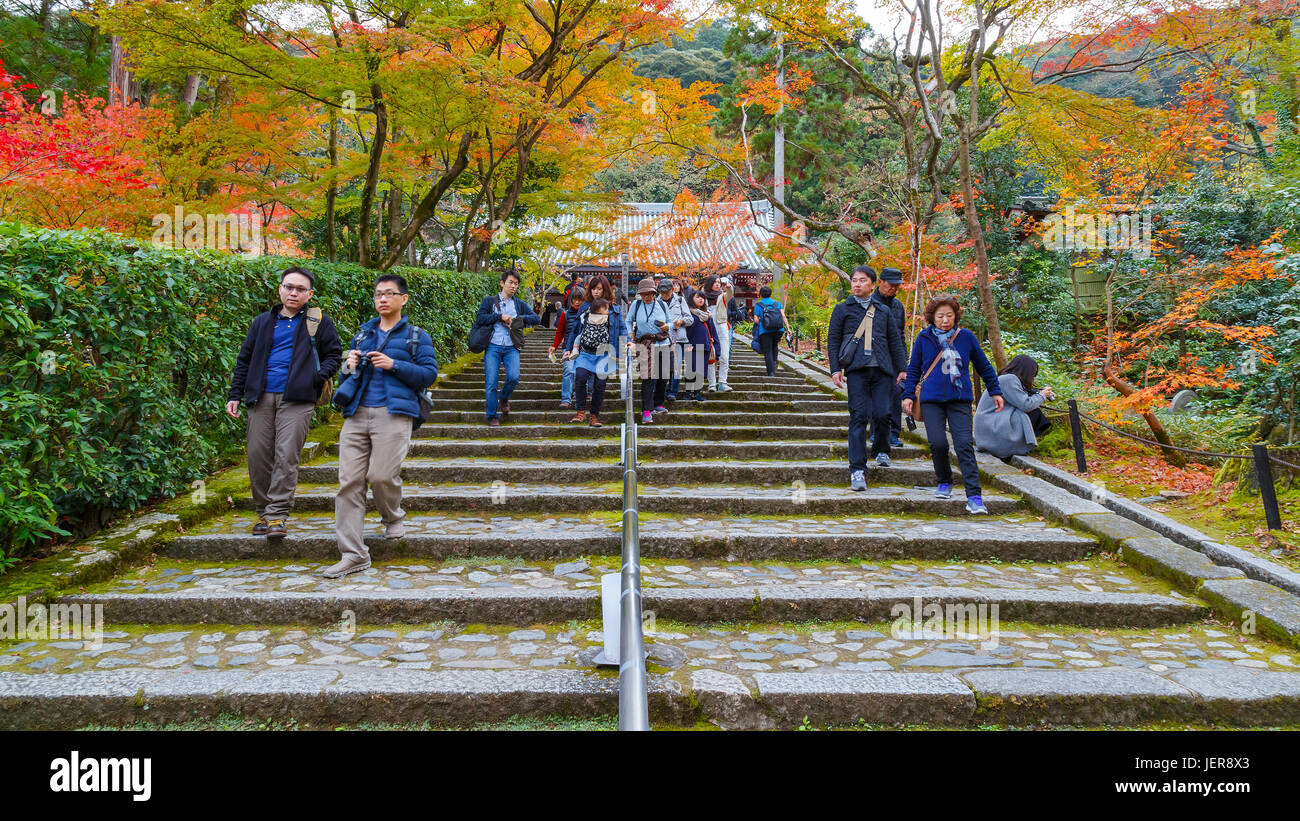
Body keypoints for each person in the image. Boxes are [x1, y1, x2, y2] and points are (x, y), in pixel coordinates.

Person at [326, 274, 438, 578]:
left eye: (389, 293)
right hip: (357, 412)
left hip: (395, 412)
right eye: (378, 294)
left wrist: (394, 365)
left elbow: (429, 375)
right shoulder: (362, 335)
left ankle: (392, 515)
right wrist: (349, 365)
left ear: (404, 298)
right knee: (349, 481)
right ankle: (353, 554)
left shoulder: (417, 335)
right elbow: (345, 377)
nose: (382, 299)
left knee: (381, 475)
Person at [226, 266, 342, 539]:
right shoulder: (262, 322)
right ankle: (264, 512)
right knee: (257, 455)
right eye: (289, 287)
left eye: (300, 289)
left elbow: (334, 355)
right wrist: (235, 394)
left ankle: (276, 515)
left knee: (287, 455)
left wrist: (316, 378)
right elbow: (244, 359)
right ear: (280, 289)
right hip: (260, 396)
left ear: (309, 294)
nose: (293, 292)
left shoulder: (318, 321)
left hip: (298, 398)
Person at [902, 295, 1005, 514]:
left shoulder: (965, 337)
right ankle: (945, 481)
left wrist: (995, 390)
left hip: (959, 399)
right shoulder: (923, 338)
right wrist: (908, 395)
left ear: (955, 315)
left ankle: (974, 497)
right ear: (932, 317)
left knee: (964, 445)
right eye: (940, 316)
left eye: (949, 315)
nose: (945, 320)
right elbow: (913, 369)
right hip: (931, 400)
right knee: (938, 443)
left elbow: (984, 366)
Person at [827, 266, 907, 491]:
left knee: (883, 414)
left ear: (873, 284)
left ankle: (881, 449)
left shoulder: (884, 310)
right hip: (857, 370)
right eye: (854, 280)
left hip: (883, 369)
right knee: (859, 417)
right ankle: (858, 469)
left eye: (862, 280)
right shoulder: (843, 309)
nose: (857, 284)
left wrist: (902, 368)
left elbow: (895, 340)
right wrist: (835, 369)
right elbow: (833, 340)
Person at [473, 269, 540, 426]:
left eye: (516, 284)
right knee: (491, 382)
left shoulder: (519, 304)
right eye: (510, 282)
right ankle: (492, 415)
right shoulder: (489, 301)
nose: (513, 286)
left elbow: (535, 318)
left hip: (512, 346)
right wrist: (499, 316)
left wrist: (517, 320)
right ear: (502, 283)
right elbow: (480, 318)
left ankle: (503, 398)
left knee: (514, 377)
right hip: (493, 346)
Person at [853, 265, 909, 449]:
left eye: (897, 286)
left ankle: (892, 433)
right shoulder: (867, 301)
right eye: (891, 284)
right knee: (872, 396)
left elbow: (900, 335)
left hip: (892, 357)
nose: (894, 288)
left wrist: (904, 364)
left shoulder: (898, 306)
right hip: (870, 356)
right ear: (881, 283)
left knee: (894, 393)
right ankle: (876, 432)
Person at [975, 354, 1055, 458]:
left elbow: (1020, 398)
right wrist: (1042, 395)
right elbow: (1026, 405)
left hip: (991, 425)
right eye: (1032, 374)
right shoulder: (1009, 379)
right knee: (1034, 413)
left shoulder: (1007, 379)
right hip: (992, 426)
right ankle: (1017, 446)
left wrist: (1038, 393)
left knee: (1034, 413)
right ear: (1025, 370)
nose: (1032, 377)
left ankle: (1018, 445)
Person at [568, 298, 622, 426]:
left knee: (600, 385)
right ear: (598, 309)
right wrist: (569, 348)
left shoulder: (612, 318)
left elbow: (620, 331)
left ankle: (594, 416)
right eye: (606, 309)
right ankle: (580, 412)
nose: (608, 311)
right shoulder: (585, 316)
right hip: (585, 353)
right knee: (580, 377)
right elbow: (576, 332)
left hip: (602, 354)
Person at [628, 277, 672, 423]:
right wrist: (630, 333)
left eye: (649, 294)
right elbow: (628, 321)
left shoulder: (662, 304)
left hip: (663, 342)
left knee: (663, 375)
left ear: (654, 293)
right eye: (643, 294)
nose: (646, 297)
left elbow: (670, 322)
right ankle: (646, 410)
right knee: (648, 377)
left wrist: (667, 326)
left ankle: (658, 403)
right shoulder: (636, 304)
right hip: (645, 343)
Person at [550, 286, 585, 409]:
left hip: (583, 349)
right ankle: (566, 398)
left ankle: (579, 395)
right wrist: (554, 346)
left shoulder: (587, 314)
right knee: (569, 370)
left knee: (581, 373)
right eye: (574, 299)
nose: (576, 302)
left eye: (579, 299)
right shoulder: (565, 314)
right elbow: (560, 332)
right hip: (568, 348)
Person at [681, 288, 718, 401]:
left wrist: (717, 347)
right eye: (697, 297)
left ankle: (697, 393)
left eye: (702, 297)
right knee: (691, 370)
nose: (701, 299)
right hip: (691, 345)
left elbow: (713, 332)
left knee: (701, 371)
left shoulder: (707, 316)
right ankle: (688, 393)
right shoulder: (688, 314)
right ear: (691, 299)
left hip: (705, 345)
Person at [661, 278, 693, 402]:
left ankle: (673, 391)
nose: (664, 295)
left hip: (678, 338)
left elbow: (690, 319)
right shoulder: (657, 301)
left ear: (672, 290)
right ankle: (661, 391)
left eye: (666, 292)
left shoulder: (680, 300)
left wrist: (682, 321)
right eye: (662, 292)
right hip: (662, 338)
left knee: (676, 366)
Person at [702, 275, 733, 392]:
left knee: (724, 356)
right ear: (709, 284)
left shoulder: (722, 297)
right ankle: (712, 384)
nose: (717, 284)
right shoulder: (703, 298)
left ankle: (722, 382)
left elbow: (730, 294)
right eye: (715, 282)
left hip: (722, 327)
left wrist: (729, 288)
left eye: (719, 282)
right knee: (711, 358)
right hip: (709, 329)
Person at [751, 285, 788, 377]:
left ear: (760, 295)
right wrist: (788, 328)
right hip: (778, 329)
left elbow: (756, 320)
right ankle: (774, 362)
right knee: (774, 345)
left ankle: (771, 372)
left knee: (767, 350)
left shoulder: (758, 305)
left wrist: (761, 321)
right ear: (770, 294)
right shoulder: (777, 303)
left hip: (765, 330)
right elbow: (783, 316)